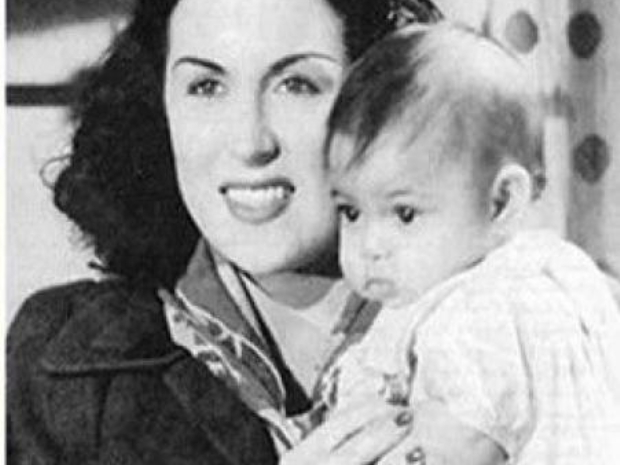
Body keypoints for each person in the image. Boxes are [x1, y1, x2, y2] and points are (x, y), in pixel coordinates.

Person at [6, 0, 444, 464]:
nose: (250, 142)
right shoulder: (66, 363)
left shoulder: (482, 324)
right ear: (159, 107)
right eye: (206, 87)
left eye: (297, 85)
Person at [321, 22, 620, 465]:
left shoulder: (480, 316)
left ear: (501, 202)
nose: (370, 246)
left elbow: (455, 448)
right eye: (351, 212)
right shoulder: (553, 273)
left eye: (405, 214)